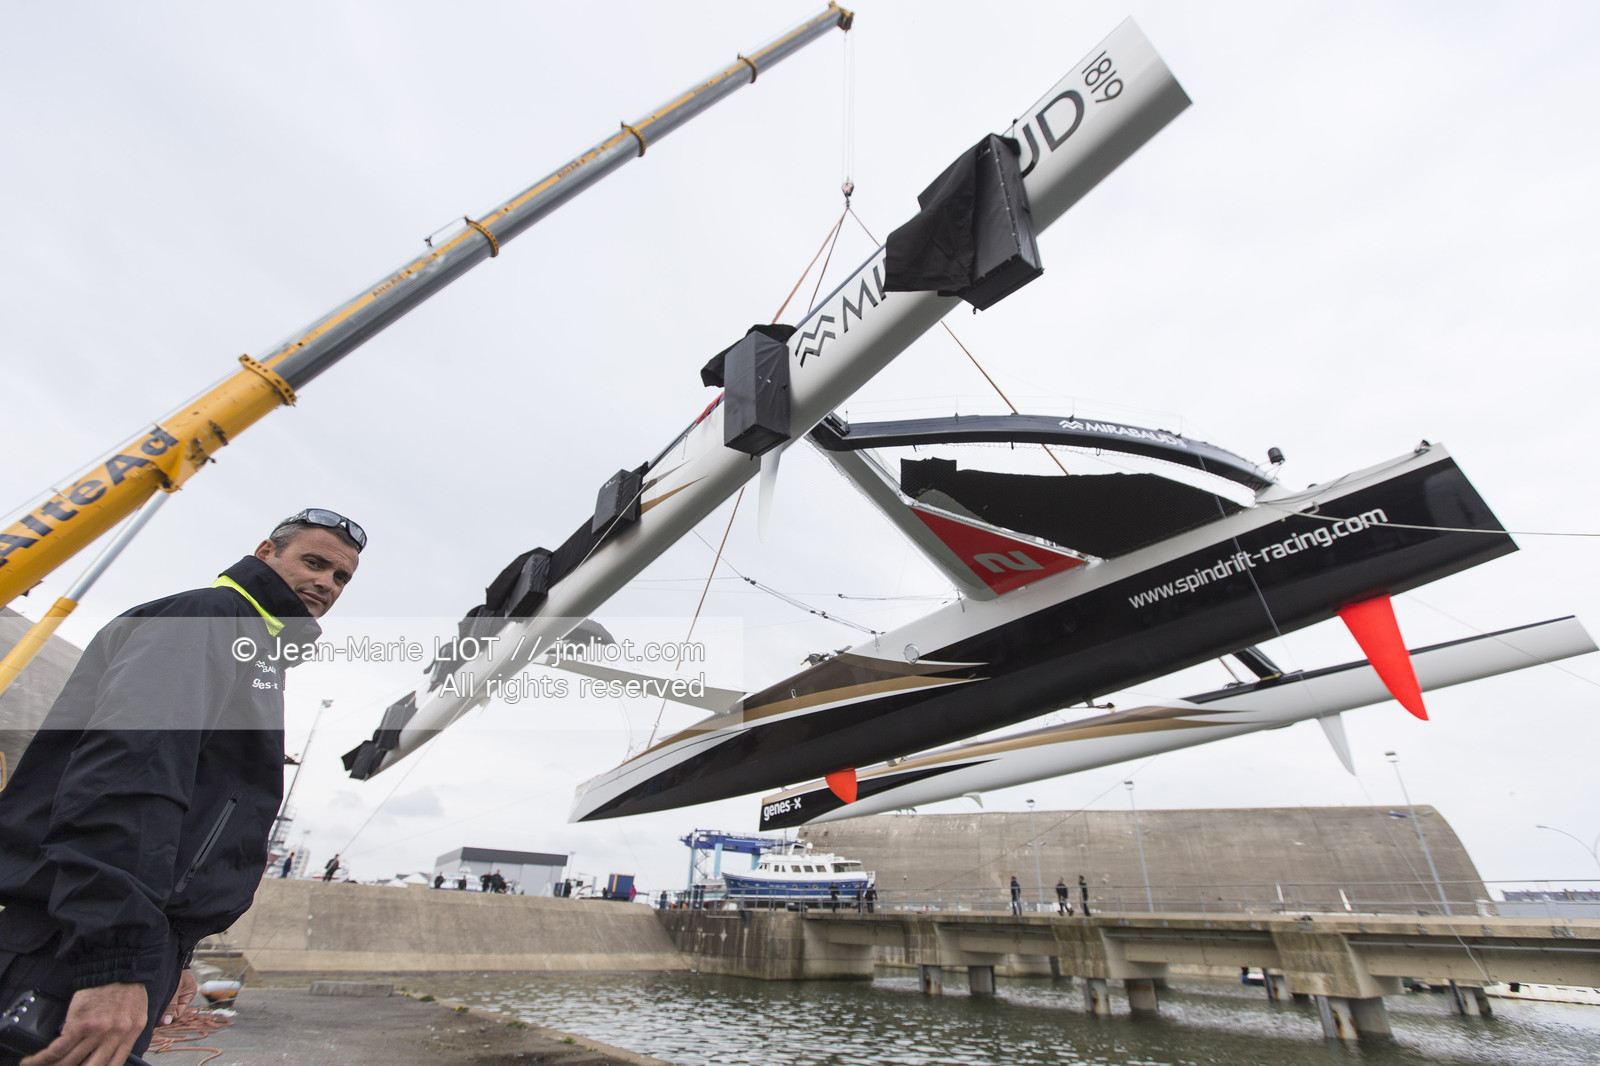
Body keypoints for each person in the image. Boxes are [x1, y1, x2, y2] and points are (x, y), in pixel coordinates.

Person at [0, 508, 363, 1066]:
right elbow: (128, 783)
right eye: (313, 563)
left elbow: (203, 820)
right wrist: (115, 963)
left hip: (118, 939)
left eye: (341, 578)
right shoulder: (209, 621)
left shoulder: (253, 647)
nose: (326, 584)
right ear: (266, 552)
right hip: (65, 943)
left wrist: (175, 953)